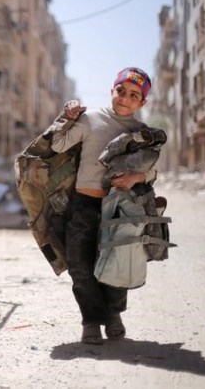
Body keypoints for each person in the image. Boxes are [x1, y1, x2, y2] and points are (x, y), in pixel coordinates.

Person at [50, 67, 156, 344]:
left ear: (142, 103)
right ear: (113, 90)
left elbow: (153, 171)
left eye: (134, 95)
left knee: (116, 265)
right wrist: (67, 117)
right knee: (80, 267)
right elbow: (59, 144)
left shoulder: (142, 133)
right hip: (84, 204)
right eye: (121, 91)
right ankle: (91, 321)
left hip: (119, 209)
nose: (125, 98)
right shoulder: (90, 119)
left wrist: (137, 176)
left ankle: (113, 315)